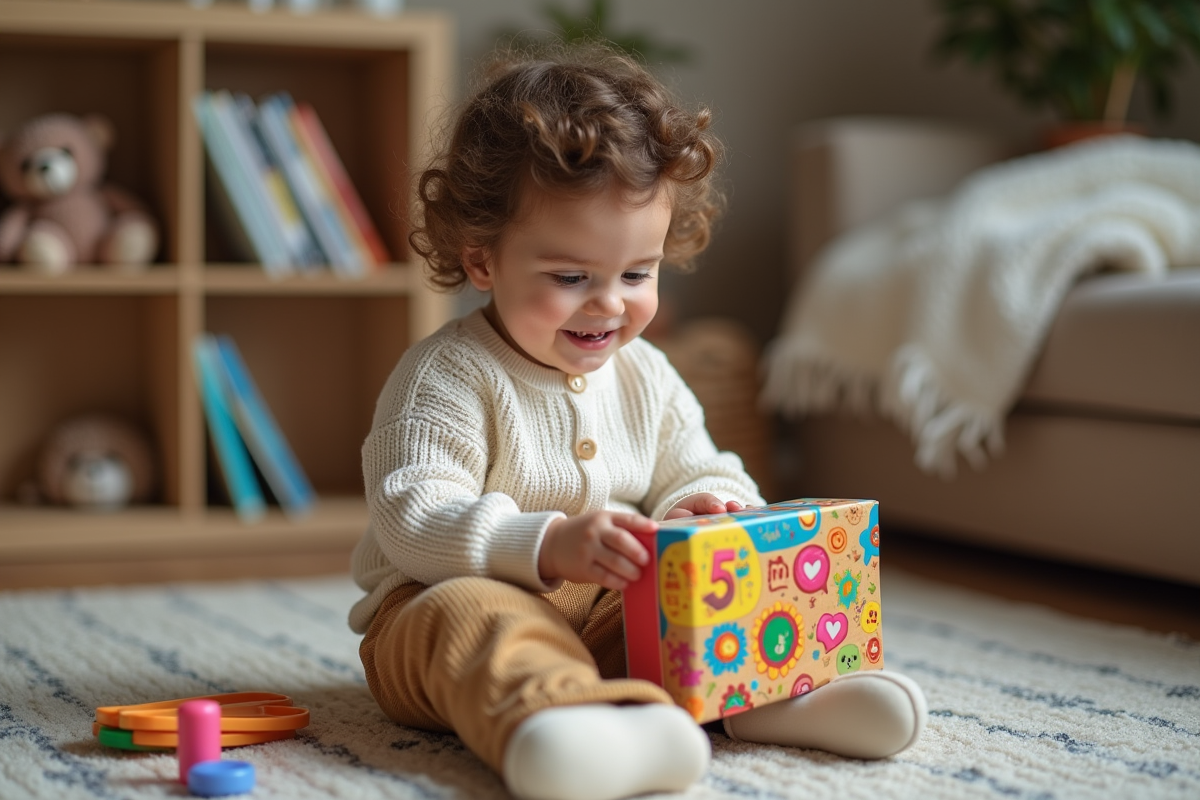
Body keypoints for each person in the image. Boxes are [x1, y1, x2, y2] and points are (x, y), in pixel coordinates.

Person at [349, 45, 927, 800]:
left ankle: (778, 700)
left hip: (605, 604)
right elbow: (412, 516)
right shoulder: (445, 377)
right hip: (437, 603)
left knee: (692, 611)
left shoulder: (646, 373)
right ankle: (555, 730)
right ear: (482, 259)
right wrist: (549, 544)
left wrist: (708, 506)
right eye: (570, 277)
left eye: (636, 274)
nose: (611, 304)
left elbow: (701, 463)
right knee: (478, 622)